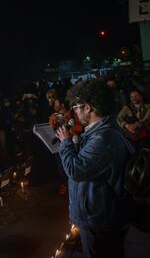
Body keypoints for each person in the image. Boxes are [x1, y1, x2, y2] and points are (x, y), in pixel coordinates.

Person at [56, 79, 130, 258]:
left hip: (99, 222)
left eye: (76, 106)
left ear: (88, 107)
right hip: (100, 218)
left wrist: (65, 142)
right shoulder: (100, 132)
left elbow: (75, 169)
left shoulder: (102, 139)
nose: (73, 110)